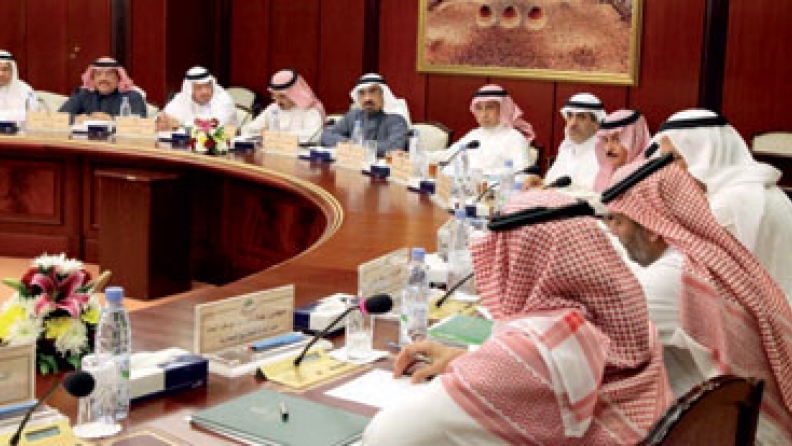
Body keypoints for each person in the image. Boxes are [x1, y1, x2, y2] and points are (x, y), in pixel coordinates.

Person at [364, 190, 671, 445]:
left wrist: (482, 371)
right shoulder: (635, 325)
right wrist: (470, 360)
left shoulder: (532, 354)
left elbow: (386, 435)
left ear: (518, 258)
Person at [602, 157, 792, 444]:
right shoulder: (700, 254)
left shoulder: (674, 276)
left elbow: (593, 341)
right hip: (740, 415)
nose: (613, 232)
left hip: (742, 432)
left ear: (652, 227)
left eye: (617, 221)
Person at [652, 109, 792, 300]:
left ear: (707, 156)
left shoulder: (727, 204)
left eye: (675, 158)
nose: (667, 171)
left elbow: (685, 275)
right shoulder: (754, 186)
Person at [428, 84, 536, 176]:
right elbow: (448, 155)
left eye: (490, 107)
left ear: (503, 109)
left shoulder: (515, 138)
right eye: (479, 108)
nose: (484, 114)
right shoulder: (474, 135)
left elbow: (523, 176)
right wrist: (421, 155)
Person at [320, 73, 410, 156]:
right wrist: (346, 142)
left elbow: (395, 147)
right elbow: (326, 136)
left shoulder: (397, 120)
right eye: (362, 93)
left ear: (383, 94)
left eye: (373, 91)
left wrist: (358, 147)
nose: (367, 98)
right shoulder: (353, 116)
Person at [534, 92, 605, 190]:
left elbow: (593, 194)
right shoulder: (566, 150)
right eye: (570, 116)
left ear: (596, 124)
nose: (572, 124)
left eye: (581, 117)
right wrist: (540, 183)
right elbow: (553, 183)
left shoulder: (603, 156)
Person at [241, 69, 325, 143]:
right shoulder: (273, 108)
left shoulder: (309, 109)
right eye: (274, 96)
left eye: (282, 96)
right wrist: (260, 132)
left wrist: (277, 136)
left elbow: (314, 136)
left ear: (295, 94)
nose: (277, 102)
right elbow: (248, 129)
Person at [58, 57, 146, 124]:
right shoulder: (82, 94)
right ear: (93, 78)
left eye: (109, 74)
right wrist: (76, 119)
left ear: (118, 78)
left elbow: (141, 123)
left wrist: (111, 119)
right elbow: (59, 117)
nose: (103, 78)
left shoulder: (132, 96)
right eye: (98, 74)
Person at [159, 66, 237, 130]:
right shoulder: (182, 98)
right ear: (189, 89)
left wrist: (179, 125)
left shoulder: (224, 100)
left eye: (208, 86)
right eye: (199, 87)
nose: (205, 91)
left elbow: (213, 126)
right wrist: (163, 122)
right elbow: (163, 118)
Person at [592, 109, 650, 192]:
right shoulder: (604, 173)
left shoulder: (647, 176)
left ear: (635, 139)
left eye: (616, 139)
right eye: (606, 140)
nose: (608, 148)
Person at [0, 50, 39, 122]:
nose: (1, 74)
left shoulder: (25, 90)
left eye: (5, 69)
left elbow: (34, 117)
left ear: (12, 71)